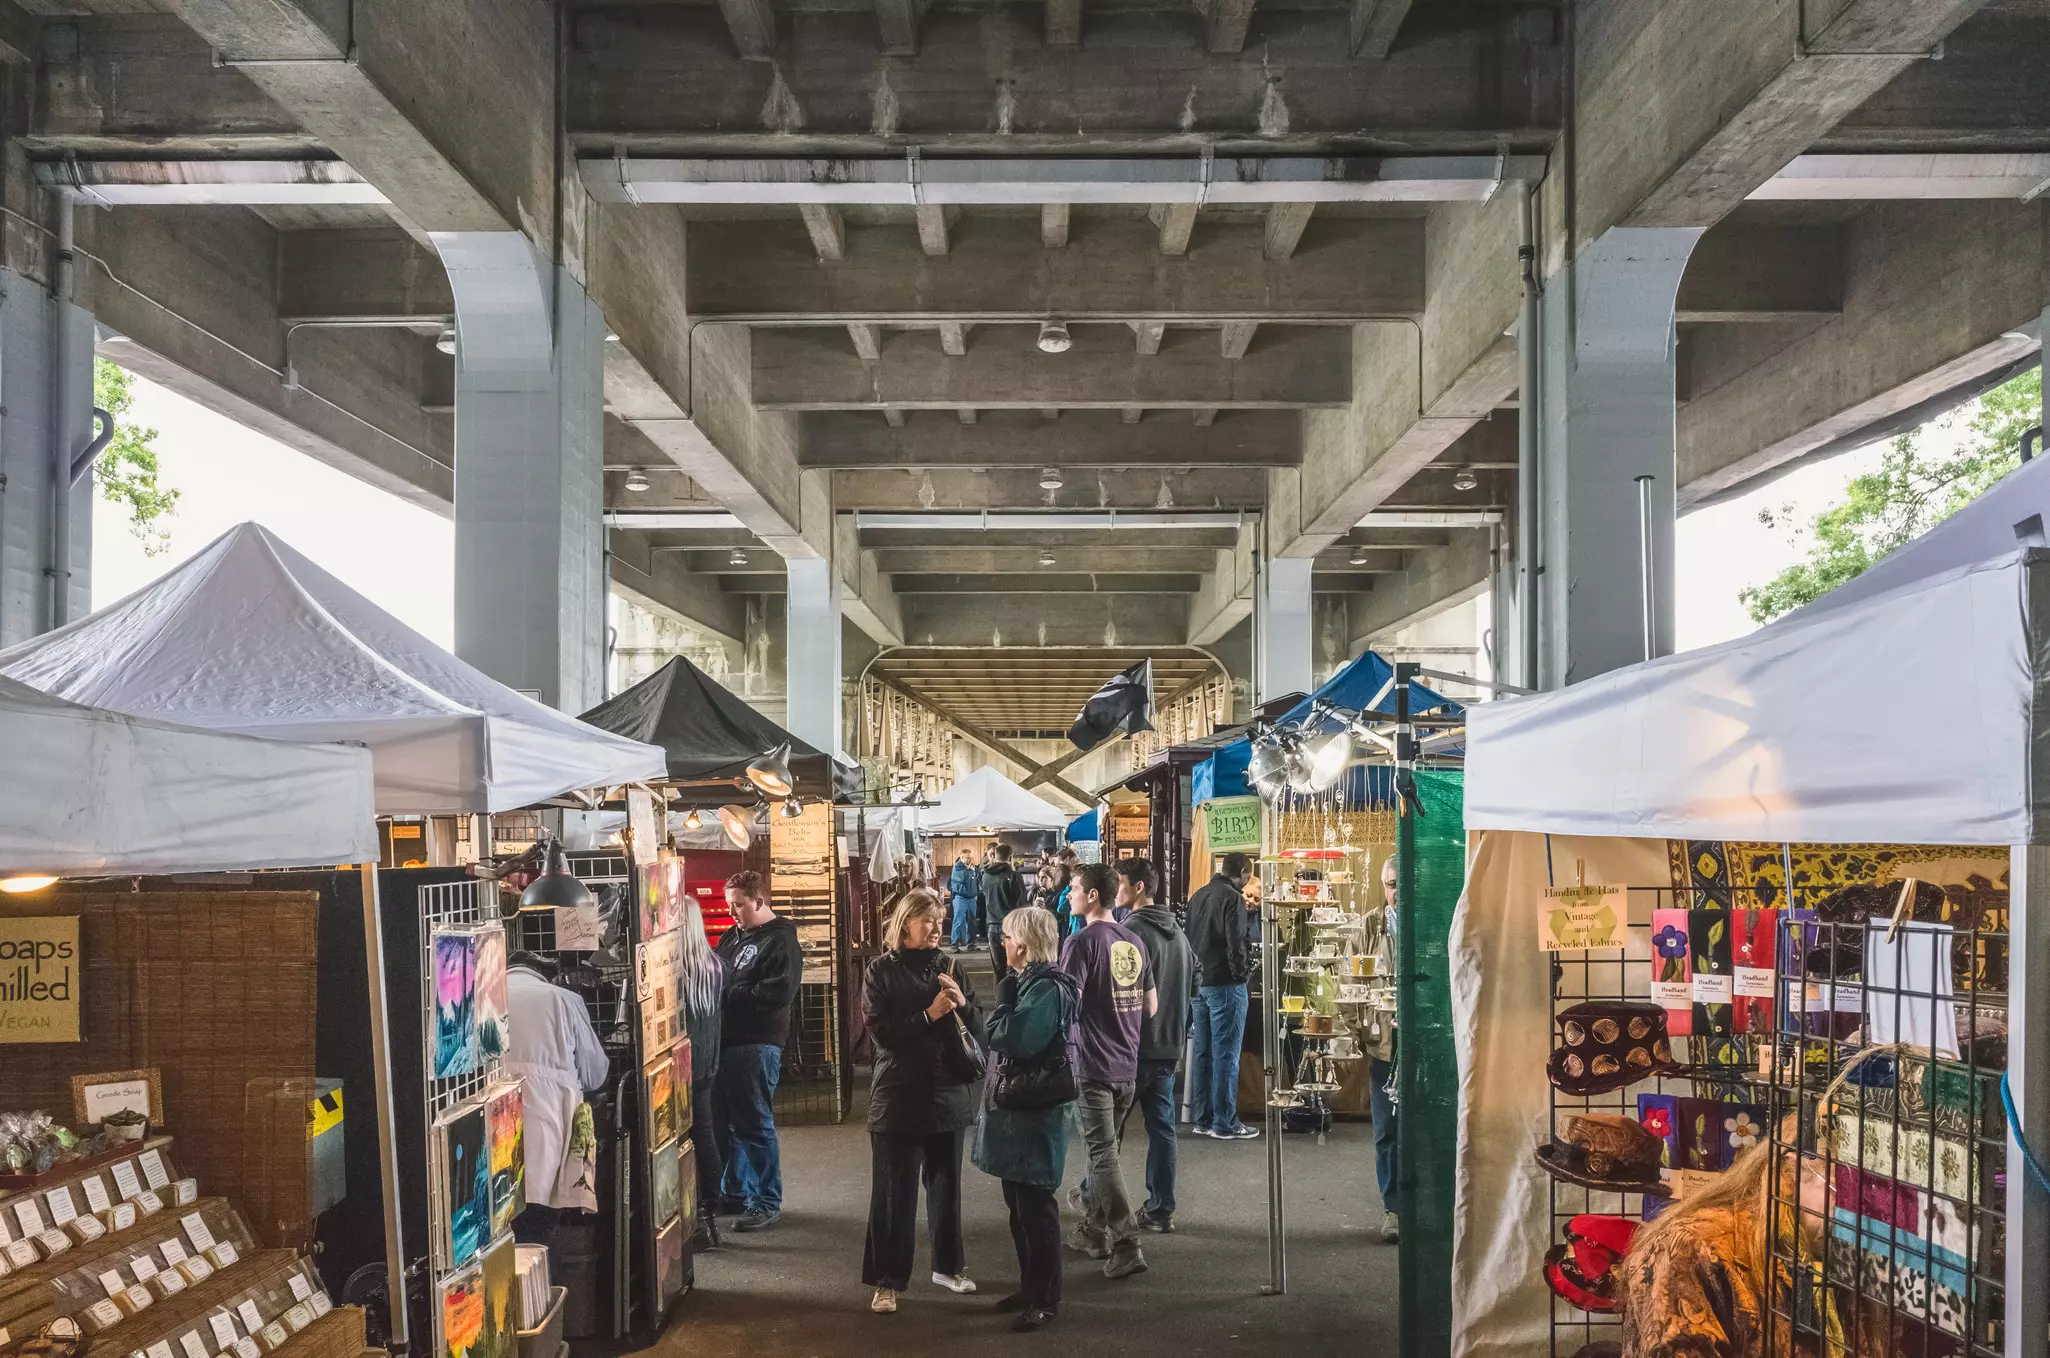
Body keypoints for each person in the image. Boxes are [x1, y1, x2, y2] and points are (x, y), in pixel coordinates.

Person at [860, 889, 983, 1315]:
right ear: (905, 923)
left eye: (940, 918)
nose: (936, 927)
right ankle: (887, 1281)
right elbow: (881, 1032)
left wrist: (963, 1005)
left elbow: (979, 1029)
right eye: (927, 919)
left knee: (946, 1189)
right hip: (897, 1096)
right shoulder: (880, 970)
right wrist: (929, 1014)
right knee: (894, 1194)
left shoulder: (952, 966)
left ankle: (948, 1267)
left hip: (948, 1094)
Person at [1618, 1131, 1830, 1358]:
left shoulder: (1818, 1253)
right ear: (1794, 1171)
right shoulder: (1690, 1247)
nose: (1850, 1212)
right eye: (1841, 1190)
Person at [974, 906, 1081, 1333]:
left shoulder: (1046, 989)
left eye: (1005, 937)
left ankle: (1045, 1298)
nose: (1002, 944)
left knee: (1036, 1212)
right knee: (1020, 1210)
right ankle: (1031, 1287)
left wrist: (999, 1010)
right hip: (1024, 1115)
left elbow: (1012, 1038)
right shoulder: (1031, 984)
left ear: (1022, 943)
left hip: (1036, 1118)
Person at [1058, 861, 1157, 1279]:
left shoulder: (1080, 943)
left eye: (1075, 888)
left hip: (1093, 1064)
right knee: (1106, 1155)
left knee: (1102, 1155)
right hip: (1127, 1065)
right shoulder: (1133, 940)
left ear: (1092, 894)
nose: (1069, 895)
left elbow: (1066, 1004)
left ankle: (1126, 1241)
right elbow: (1150, 1007)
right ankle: (1094, 1232)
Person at [504, 951, 610, 1251]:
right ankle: (543, 1293)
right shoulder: (563, 1000)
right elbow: (594, 1072)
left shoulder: (484, 999)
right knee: (540, 1228)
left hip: (491, 1124)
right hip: (549, 1123)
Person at [713, 869, 800, 1232]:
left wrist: (729, 994)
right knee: (731, 1126)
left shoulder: (782, 942)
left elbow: (778, 993)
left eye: (739, 905)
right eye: (730, 904)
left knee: (754, 1125)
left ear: (760, 901)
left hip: (758, 1044)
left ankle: (765, 1201)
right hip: (729, 1043)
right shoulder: (733, 937)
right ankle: (735, 1192)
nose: (733, 911)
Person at [1115, 858, 1194, 1234]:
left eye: (1121, 884)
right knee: (1162, 1128)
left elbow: (1119, 992)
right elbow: (1196, 979)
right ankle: (1162, 1210)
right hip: (1169, 1045)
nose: (1117, 891)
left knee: (1108, 1128)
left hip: (1134, 1048)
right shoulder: (1178, 932)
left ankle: (1097, 1200)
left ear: (1139, 887)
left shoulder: (1129, 932)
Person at [1185, 853, 1259, 1139]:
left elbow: (1187, 936)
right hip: (1225, 985)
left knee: (1203, 1053)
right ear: (1241, 872)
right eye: (1248, 877)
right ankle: (1225, 1122)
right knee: (1226, 1055)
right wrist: (1241, 976)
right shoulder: (1233, 899)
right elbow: (1236, 943)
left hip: (1199, 985)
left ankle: (1203, 1119)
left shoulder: (1199, 895)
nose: (1247, 883)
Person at [678, 897, 726, 1254]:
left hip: (683, 1070)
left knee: (681, 1144)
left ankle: (697, 1219)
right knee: (704, 1137)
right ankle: (708, 1216)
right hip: (707, 1065)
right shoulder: (713, 967)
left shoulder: (676, 970)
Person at [1363, 855, 1401, 1243]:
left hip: (1426, 1042)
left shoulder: (1432, 923)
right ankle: (1393, 1209)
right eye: (1392, 884)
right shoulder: (1367, 928)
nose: (1397, 892)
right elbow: (1347, 979)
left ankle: (1427, 1206)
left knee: (1425, 1127)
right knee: (1386, 1131)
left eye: (1403, 883)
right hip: (1385, 1044)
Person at [979, 843, 1028, 979]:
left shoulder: (985, 875)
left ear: (995, 855)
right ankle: (1013, 999)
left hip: (992, 926)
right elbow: (1022, 904)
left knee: (998, 970)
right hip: (1010, 928)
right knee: (1014, 968)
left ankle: (1000, 998)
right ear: (1011, 857)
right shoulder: (1014, 876)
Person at [947, 851, 981, 951]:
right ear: (962, 857)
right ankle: (954, 944)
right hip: (960, 898)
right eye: (968, 858)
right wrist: (969, 870)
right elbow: (961, 878)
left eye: (971, 858)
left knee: (972, 921)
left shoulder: (973, 868)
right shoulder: (957, 867)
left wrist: (977, 893)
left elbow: (977, 881)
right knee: (959, 921)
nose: (970, 860)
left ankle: (971, 944)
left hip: (972, 899)